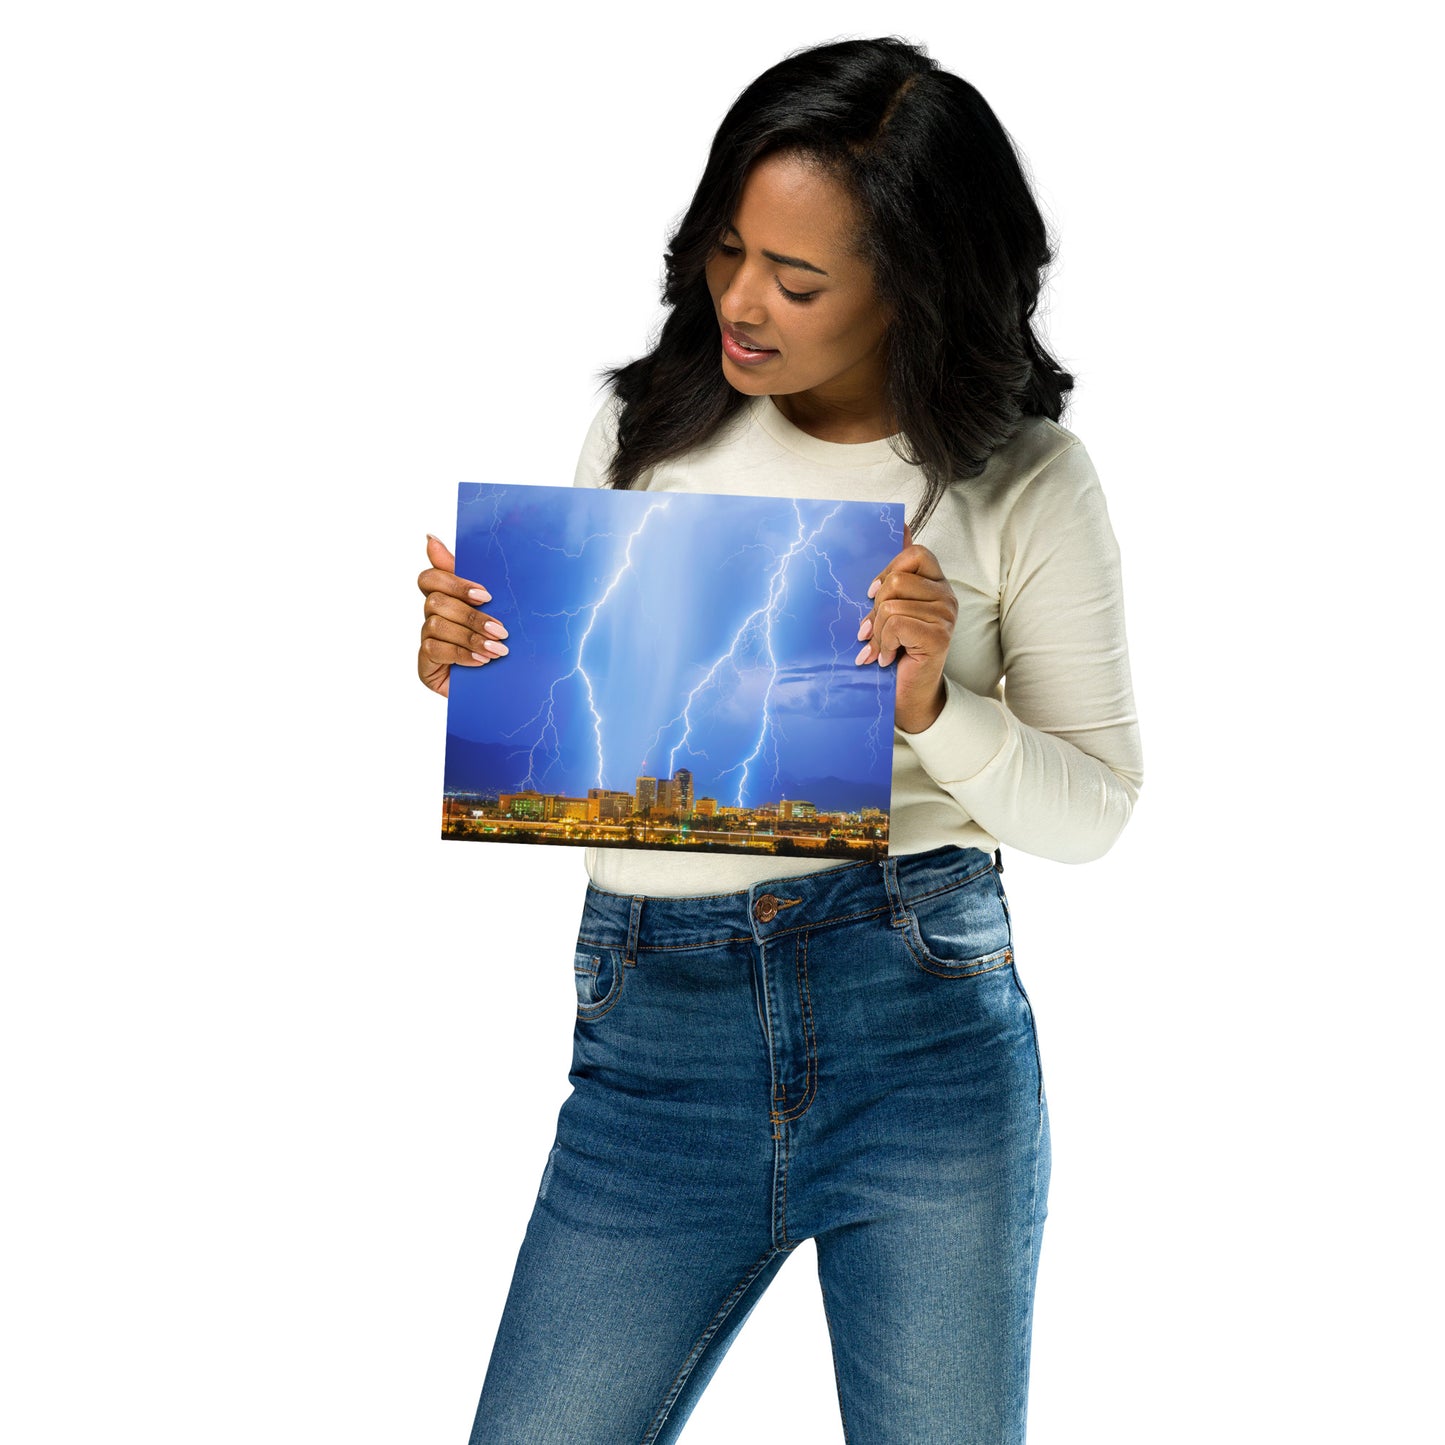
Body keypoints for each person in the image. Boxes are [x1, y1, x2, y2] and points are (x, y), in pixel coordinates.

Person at [417, 36, 1142, 1444]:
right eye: (725, 251)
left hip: (917, 1029)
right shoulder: (643, 432)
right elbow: (596, 754)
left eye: (797, 279)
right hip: (651, 1055)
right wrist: (479, 680)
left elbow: (1095, 811)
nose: (742, 303)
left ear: (913, 287)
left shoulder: (1026, 481)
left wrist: (936, 705)